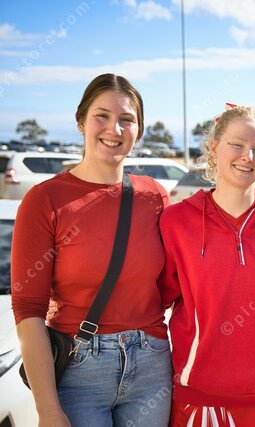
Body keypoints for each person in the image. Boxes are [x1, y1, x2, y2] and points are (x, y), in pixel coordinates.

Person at [11, 73, 172, 426]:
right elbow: (28, 311)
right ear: (81, 121)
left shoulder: (155, 196)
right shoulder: (45, 199)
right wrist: (48, 410)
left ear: (139, 130)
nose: (115, 129)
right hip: (80, 369)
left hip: (152, 365)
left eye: (127, 119)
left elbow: (174, 286)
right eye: (102, 116)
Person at [158, 105, 255, 427]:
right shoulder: (176, 220)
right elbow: (154, 303)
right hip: (199, 395)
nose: (247, 157)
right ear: (214, 147)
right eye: (237, 144)